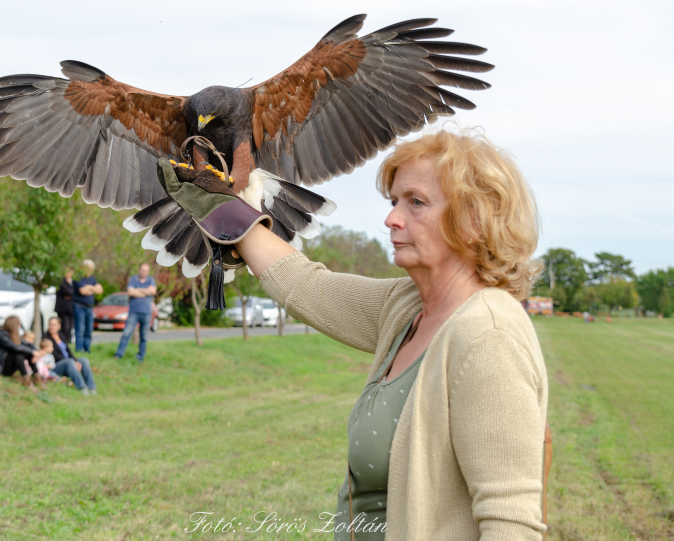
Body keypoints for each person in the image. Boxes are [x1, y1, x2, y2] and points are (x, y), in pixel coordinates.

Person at [163, 130, 549, 540]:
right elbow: (307, 287)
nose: (392, 219)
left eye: (416, 203)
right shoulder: (409, 306)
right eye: (394, 201)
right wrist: (223, 210)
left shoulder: (487, 336)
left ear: (475, 219)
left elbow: (511, 523)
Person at [0, 316, 45, 391]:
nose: (19, 327)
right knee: (18, 353)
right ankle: (26, 379)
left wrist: (35, 352)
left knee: (25, 352)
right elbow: (15, 347)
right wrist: (33, 352)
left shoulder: (12, 335)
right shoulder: (1, 336)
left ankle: (36, 377)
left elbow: (28, 344)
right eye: (19, 325)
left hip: (6, 366)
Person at [44, 316, 97, 395]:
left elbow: (68, 350)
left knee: (84, 360)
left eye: (54, 325)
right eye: (50, 324)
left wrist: (75, 361)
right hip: (56, 364)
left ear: (59, 326)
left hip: (69, 361)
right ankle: (82, 387)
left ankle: (92, 387)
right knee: (69, 361)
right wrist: (72, 362)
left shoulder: (61, 335)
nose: (52, 327)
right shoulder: (46, 337)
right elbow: (55, 355)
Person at [115, 262, 157, 361]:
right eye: (142, 270)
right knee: (126, 334)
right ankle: (118, 355)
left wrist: (137, 290)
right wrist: (146, 291)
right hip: (134, 312)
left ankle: (140, 357)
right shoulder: (133, 279)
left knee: (144, 337)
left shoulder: (151, 280)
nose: (144, 272)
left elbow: (153, 291)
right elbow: (130, 292)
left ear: (148, 272)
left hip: (146, 313)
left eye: (146, 271)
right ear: (139, 270)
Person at [73, 259, 102, 354]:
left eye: (90, 268)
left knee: (89, 329)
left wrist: (89, 287)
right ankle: (79, 349)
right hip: (79, 307)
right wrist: (93, 288)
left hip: (90, 307)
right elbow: (83, 291)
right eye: (87, 268)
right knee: (80, 329)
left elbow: (100, 290)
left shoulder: (92, 279)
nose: (89, 270)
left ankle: (87, 349)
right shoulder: (78, 277)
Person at [55, 266, 75, 344]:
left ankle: (67, 343)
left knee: (70, 328)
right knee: (65, 327)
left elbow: (75, 292)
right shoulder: (61, 281)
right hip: (63, 309)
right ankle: (63, 342)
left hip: (71, 309)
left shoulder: (73, 282)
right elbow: (68, 292)